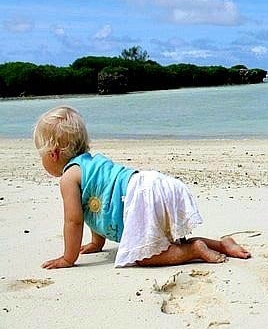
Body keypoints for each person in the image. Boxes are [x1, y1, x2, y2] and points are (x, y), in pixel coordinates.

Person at [33, 106, 252, 269]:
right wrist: (96, 243)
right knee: (166, 243)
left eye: (40, 155)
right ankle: (223, 245)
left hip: (138, 196)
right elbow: (96, 205)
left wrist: (68, 258)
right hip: (151, 184)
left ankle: (193, 251)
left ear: (53, 153)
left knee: (145, 256)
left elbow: (74, 220)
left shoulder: (69, 178)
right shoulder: (92, 163)